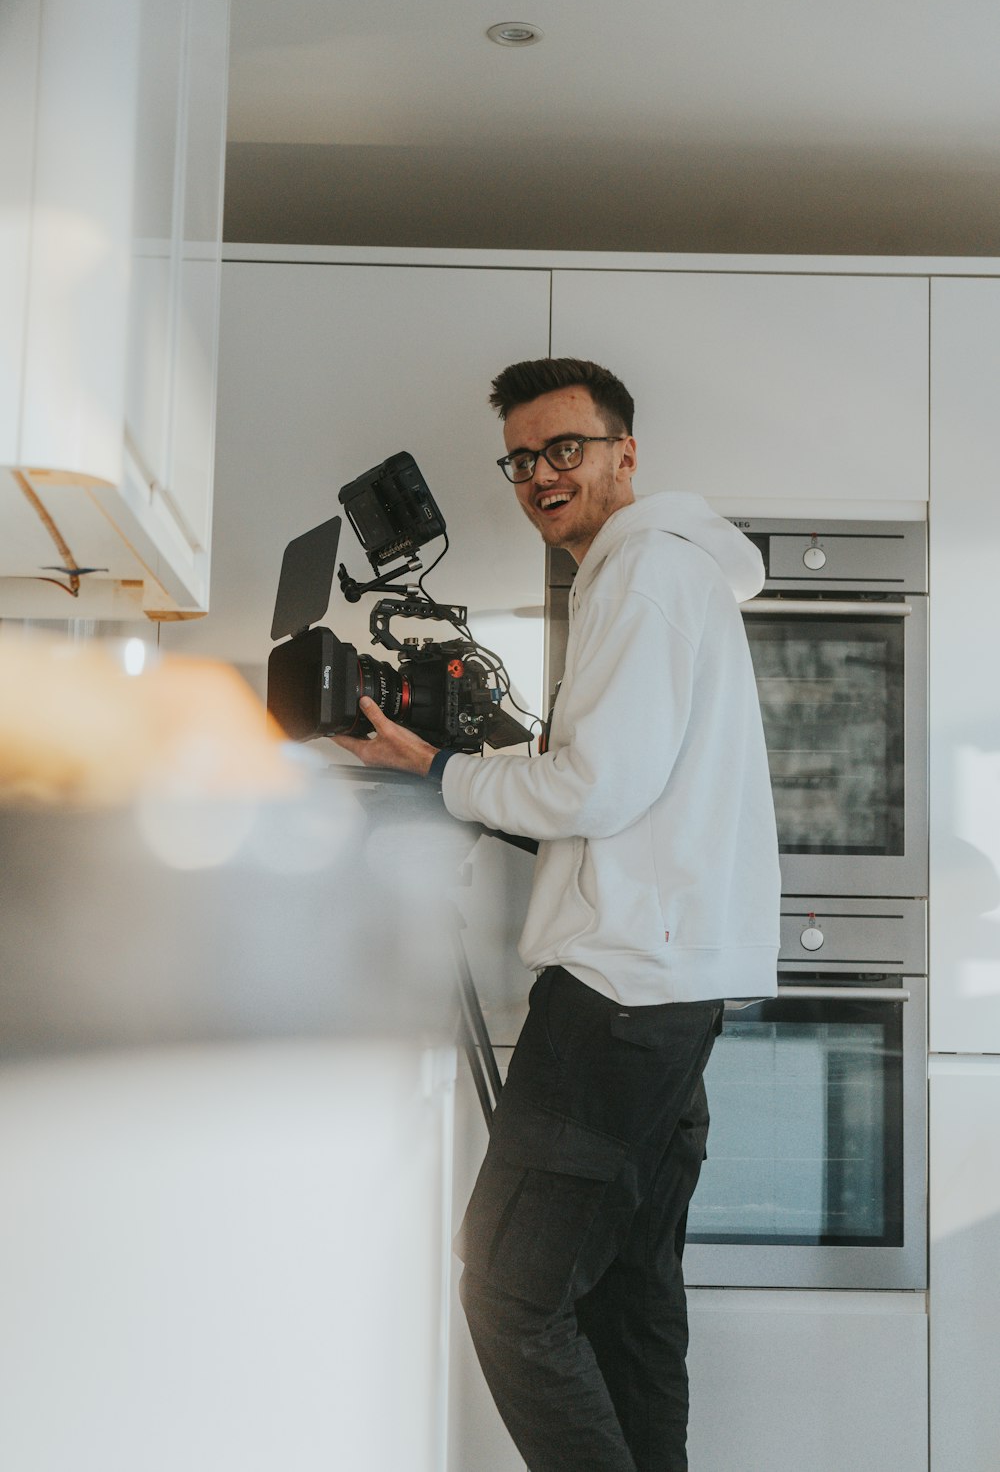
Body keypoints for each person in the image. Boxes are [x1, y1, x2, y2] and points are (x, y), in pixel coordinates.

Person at [335, 357, 780, 1472]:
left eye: (563, 448)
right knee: (628, 1297)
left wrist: (441, 770)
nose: (540, 474)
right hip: (669, 1000)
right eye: (522, 457)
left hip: (616, 1000)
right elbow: (614, 794)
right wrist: (486, 773)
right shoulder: (669, 576)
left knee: (510, 1294)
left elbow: (594, 791)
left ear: (624, 455)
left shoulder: (635, 578)